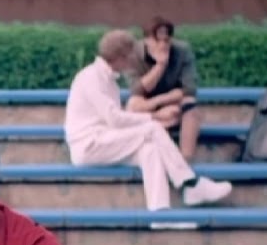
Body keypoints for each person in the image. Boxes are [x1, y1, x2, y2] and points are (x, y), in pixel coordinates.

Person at [64, 28, 231, 212]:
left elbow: (115, 122)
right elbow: (114, 119)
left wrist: (151, 121)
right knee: (152, 128)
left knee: (150, 151)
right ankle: (190, 183)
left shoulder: (108, 81)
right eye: (130, 55)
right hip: (89, 145)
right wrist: (155, 117)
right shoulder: (91, 77)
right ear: (120, 56)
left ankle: (160, 214)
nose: (133, 60)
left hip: (103, 141)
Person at [125, 17, 201, 161]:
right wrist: (160, 65)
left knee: (190, 104)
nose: (163, 45)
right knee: (134, 103)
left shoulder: (182, 51)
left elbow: (189, 89)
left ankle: (185, 158)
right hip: (148, 105)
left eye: (166, 40)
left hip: (174, 105)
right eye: (157, 40)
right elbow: (137, 90)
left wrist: (169, 100)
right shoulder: (134, 54)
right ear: (146, 40)